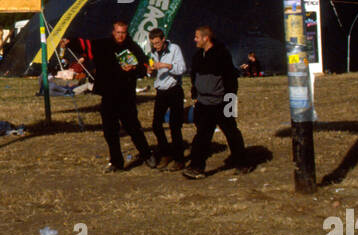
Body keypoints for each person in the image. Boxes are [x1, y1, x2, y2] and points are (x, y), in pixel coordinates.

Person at [90, 21, 156, 173]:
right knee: (109, 130)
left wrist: (134, 68)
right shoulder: (104, 46)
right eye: (118, 32)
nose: (120, 36)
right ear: (113, 32)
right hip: (109, 95)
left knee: (133, 127)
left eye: (123, 33)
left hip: (126, 95)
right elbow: (88, 49)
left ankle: (147, 154)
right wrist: (70, 42)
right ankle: (116, 162)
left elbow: (143, 66)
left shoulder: (132, 47)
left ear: (127, 33)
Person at [184, 25, 248, 179]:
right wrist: (195, 95)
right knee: (201, 136)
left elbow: (230, 78)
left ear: (206, 38)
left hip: (222, 101)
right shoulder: (198, 56)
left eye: (197, 37)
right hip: (204, 103)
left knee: (231, 132)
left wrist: (230, 101)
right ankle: (196, 167)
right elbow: (194, 77)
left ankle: (242, 163)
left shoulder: (221, 54)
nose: (194, 40)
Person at [147, 28, 187, 170]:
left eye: (158, 43)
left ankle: (179, 159)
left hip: (174, 90)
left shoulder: (175, 49)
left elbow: (182, 68)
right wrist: (150, 71)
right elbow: (152, 71)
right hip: (161, 91)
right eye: (153, 44)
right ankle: (166, 153)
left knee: (175, 126)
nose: (156, 46)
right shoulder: (153, 52)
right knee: (156, 125)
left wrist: (167, 66)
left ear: (163, 39)